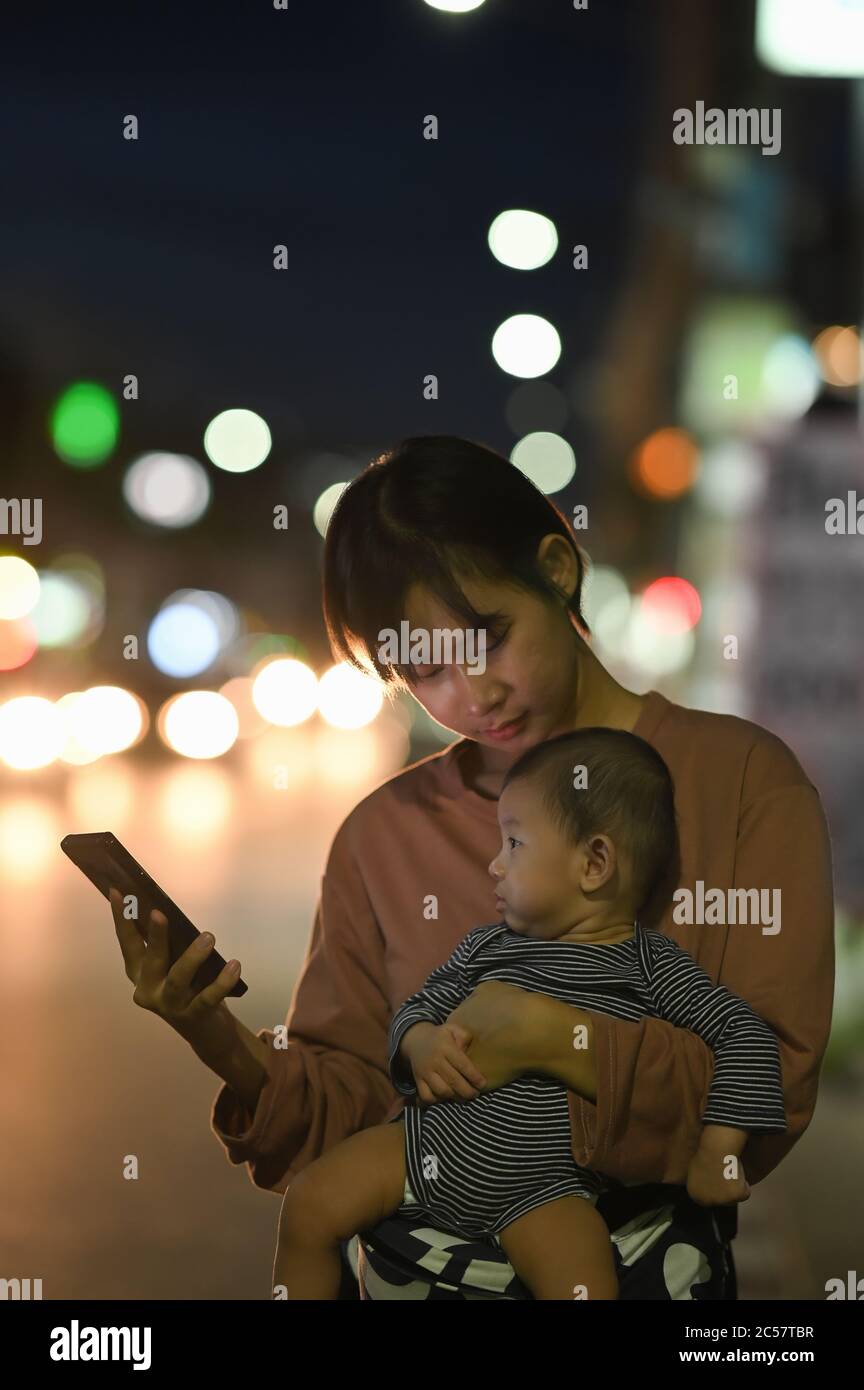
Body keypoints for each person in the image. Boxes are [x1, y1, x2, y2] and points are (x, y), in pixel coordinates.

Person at [109, 434, 835, 1300]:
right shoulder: (384, 835)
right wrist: (217, 1037)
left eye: (487, 639)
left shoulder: (742, 782)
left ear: (558, 569)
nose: (471, 696)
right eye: (424, 671)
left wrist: (553, 1039)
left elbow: (769, 1088)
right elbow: (351, 1106)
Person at [271, 727, 788, 1300]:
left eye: (514, 844)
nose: (494, 865)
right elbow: (420, 1006)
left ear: (595, 863)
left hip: (544, 1189)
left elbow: (744, 1034)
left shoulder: (651, 966)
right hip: (422, 1150)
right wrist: (418, 1042)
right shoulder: (485, 947)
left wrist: (721, 1149)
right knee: (310, 1201)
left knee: (584, 1286)